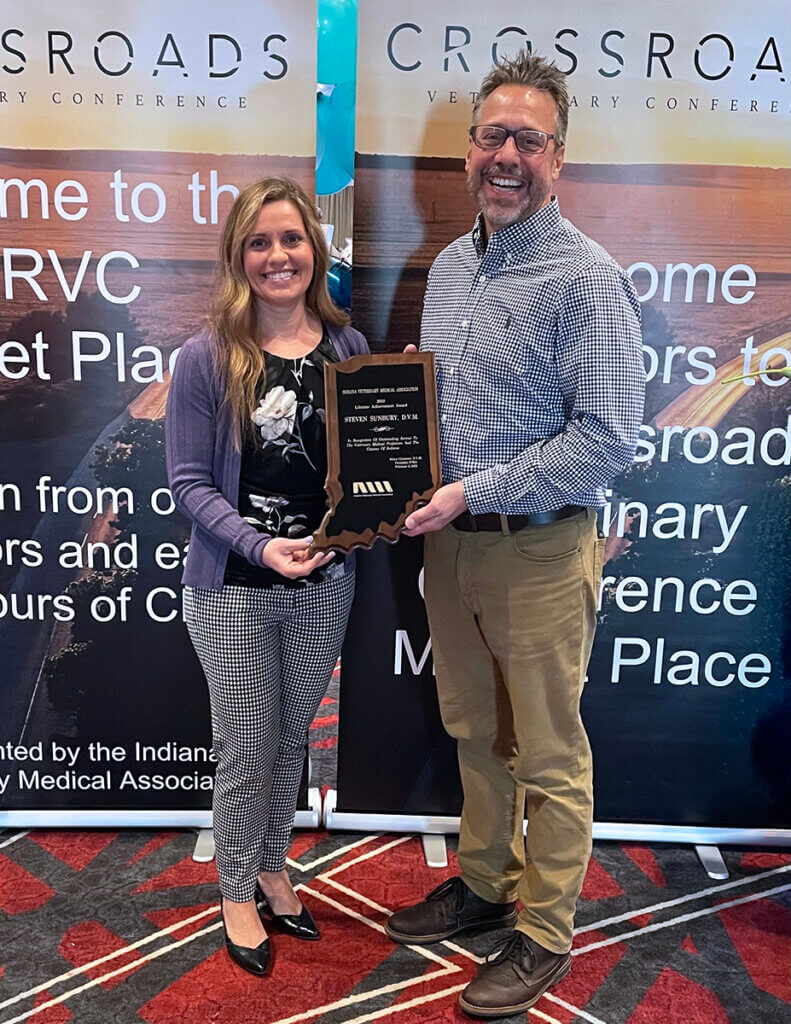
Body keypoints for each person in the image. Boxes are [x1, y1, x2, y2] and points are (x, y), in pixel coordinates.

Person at [387, 52, 645, 1017]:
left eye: (527, 140)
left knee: (546, 750)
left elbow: (609, 439)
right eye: (492, 136)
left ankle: (543, 928)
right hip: (450, 543)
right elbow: (440, 403)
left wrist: (472, 489)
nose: (506, 155)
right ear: (468, 153)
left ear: (558, 159)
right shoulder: (453, 264)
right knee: (473, 729)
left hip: (538, 546)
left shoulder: (586, 278)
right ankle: (487, 884)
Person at [165, 177, 368, 976]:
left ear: (313, 251)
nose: (277, 256)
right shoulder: (205, 355)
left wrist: (360, 522)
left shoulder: (347, 349)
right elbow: (188, 483)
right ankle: (235, 889)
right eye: (259, 242)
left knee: (291, 739)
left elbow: (367, 468)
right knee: (246, 744)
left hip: (324, 582)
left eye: (291, 239)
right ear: (238, 256)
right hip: (235, 587)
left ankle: (274, 864)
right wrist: (258, 546)